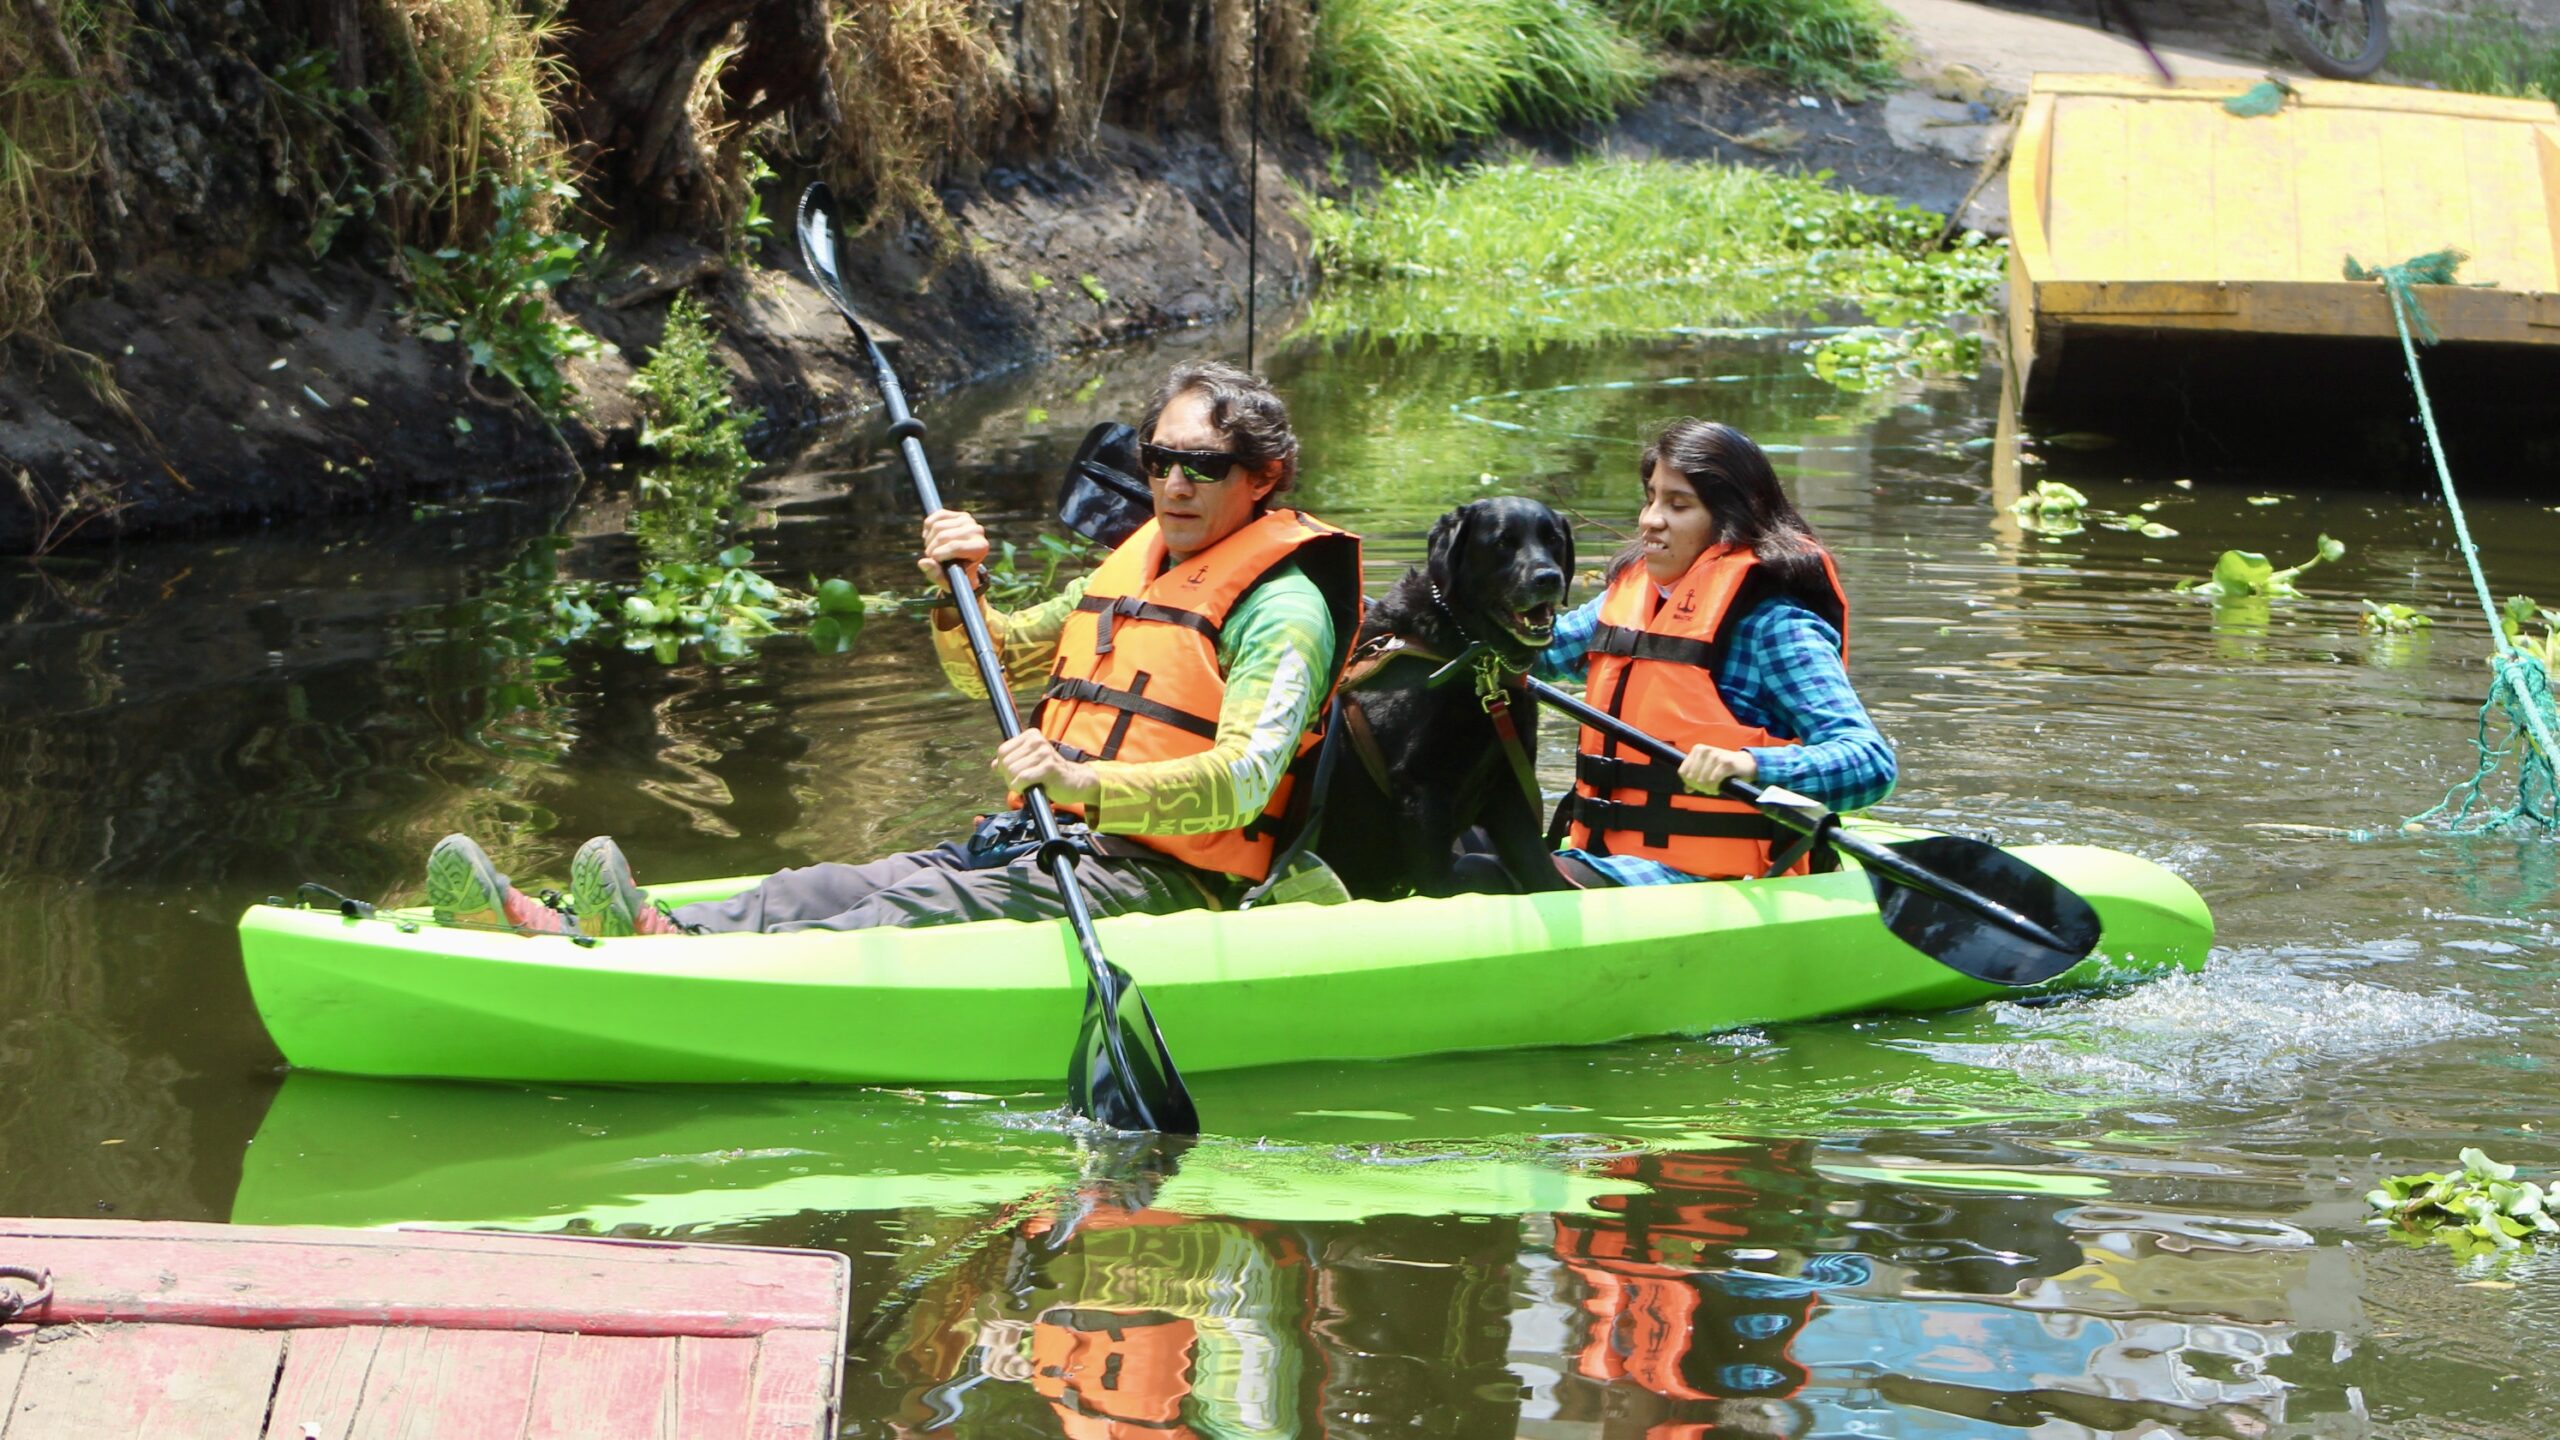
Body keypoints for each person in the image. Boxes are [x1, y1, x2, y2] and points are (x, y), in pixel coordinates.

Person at [425, 360, 1361, 935]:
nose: (1172, 486)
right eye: (1158, 460)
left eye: (1202, 468)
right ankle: (586, 926)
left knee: (899, 914)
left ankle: (669, 962)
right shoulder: (1137, 567)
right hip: (1046, 846)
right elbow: (982, 668)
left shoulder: (1282, 609)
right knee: (822, 885)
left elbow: (1244, 779)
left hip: (1161, 882)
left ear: (1263, 476)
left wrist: (1084, 788)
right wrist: (963, 590)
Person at [1535, 418, 1894, 887]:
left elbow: (1870, 763)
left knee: (1485, 874)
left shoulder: (1774, 625)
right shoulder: (1625, 602)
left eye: (1678, 505)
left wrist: (1749, 764)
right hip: (1602, 857)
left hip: (1712, 879)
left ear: (1729, 520)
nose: (1650, 520)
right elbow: (1532, 656)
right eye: (1651, 498)